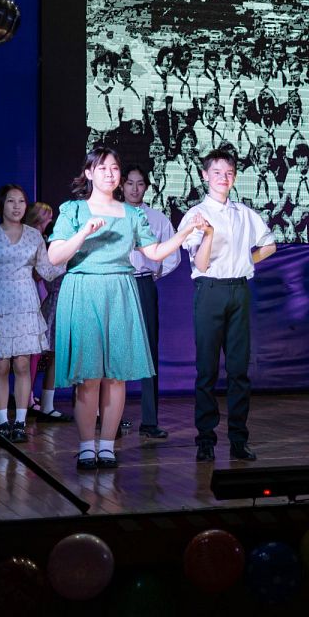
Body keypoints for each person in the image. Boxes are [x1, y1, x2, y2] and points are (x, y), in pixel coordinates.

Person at [48, 147, 202, 471]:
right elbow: (55, 256)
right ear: (89, 173)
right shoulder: (73, 210)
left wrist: (185, 232)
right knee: (89, 377)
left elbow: (155, 252)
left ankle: (107, 446)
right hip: (84, 289)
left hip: (120, 290)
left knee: (116, 377)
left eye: (114, 168)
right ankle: (86, 447)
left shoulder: (132, 215)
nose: (109, 173)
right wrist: (83, 233)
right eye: (102, 168)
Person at [178, 148, 277, 462]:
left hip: (238, 290)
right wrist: (208, 235)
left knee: (238, 371)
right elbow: (201, 264)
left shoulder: (244, 213)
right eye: (217, 172)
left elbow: (269, 245)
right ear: (205, 175)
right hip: (209, 289)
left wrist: (246, 260)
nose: (223, 177)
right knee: (206, 370)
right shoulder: (196, 214)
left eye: (229, 173)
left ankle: (238, 439)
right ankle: (206, 439)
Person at [0, 185, 66, 442]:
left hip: (25, 307)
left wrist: (70, 255)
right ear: (1, 205)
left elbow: (47, 271)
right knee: (1, 365)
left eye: (21, 201)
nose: (16, 206)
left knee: (23, 364)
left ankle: (20, 422)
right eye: (11, 201)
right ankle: (3, 422)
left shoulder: (34, 236)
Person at [123, 164, 181, 440]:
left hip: (144, 282)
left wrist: (154, 273)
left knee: (148, 350)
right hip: (117, 283)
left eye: (140, 184)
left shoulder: (157, 218)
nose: (135, 189)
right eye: (129, 183)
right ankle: (111, 418)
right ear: (121, 186)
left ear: (146, 187)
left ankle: (149, 421)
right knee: (114, 349)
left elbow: (173, 255)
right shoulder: (112, 214)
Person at [23, 201, 72, 422]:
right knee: (41, 354)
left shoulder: (49, 241)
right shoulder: (39, 242)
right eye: (47, 217)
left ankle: (40, 402)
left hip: (57, 300)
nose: (51, 221)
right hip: (49, 301)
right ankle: (31, 401)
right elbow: (40, 274)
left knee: (51, 355)